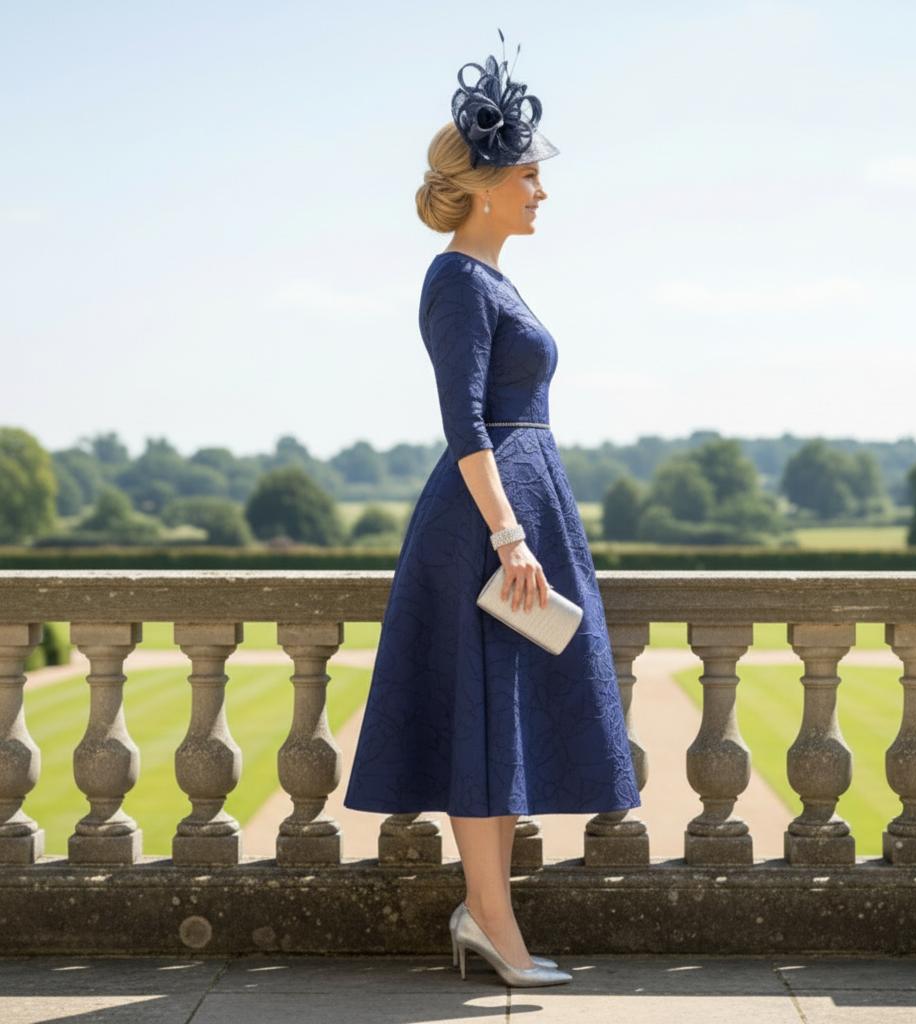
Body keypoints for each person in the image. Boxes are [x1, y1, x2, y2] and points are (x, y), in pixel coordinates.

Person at [342, 28, 641, 987]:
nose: (541, 190)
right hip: (486, 523)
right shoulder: (456, 281)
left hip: (519, 509)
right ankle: (492, 925)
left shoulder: (494, 281)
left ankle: (489, 918)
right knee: (482, 723)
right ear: (482, 186)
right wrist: (510, 535)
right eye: (527, 176)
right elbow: (463, 423)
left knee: (503, 723)